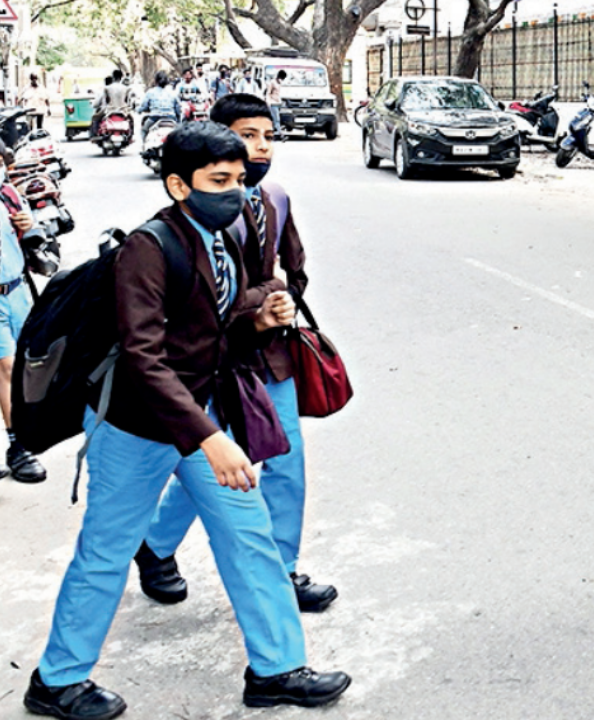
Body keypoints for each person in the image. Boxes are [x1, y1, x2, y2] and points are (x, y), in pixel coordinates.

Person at [23, 122, 351, 720]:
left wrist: (258, 318)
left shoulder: (217, 234)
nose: (235, 190)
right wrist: (210, 439)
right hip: (134, 426)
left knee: (249, 534)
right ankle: (57, 680)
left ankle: (277, 669)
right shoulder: (148, 249)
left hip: (198, 412)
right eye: (218, 180)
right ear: (179, 184)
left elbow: (205, 330)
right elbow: (146, 359)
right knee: (106, 548)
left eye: (239, 178)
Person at [137, 93, 337, 612]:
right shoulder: (198, 212)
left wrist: (284, 297)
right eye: (248, 136)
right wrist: (254, 302)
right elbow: (193, 300)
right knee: (216, 464)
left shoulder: (276, 198)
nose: (261, 146)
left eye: (268, 136)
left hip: (271, 353)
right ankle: (155, 545)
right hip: (213, 360)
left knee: (285, 460)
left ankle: (283, 568)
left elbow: (291, 267)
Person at [0, 166, 45, 484]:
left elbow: (34, 234)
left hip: (17, 291)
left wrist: (30, 224)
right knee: (7, 366)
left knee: (26, 367)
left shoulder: (8, 196)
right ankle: (19, 446)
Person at [91, 69, 133, 138]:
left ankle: (95, 135)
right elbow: (128, 102)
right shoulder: (126, 88)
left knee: (95, 118)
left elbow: (105, 102)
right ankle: (130, 136)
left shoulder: (107, 88)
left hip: (110, 111)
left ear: (113, 77)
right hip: (123, 111)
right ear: (121, 77)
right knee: (131, 120)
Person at [138, 71, 181, 136]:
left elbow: (143, 106)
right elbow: (178, 108)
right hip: (171, 118)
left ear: (155, 81)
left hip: (154, 118)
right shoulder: (173, 93)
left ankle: (144, 145)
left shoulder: (150, 92)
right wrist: (178, 118)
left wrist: (138, 110)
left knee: (144, 130)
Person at [265, 70, 285, 136]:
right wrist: (268, 102)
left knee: (274, 119)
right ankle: (281, 134)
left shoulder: (280, 82)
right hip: (273, 103)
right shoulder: (272, 82)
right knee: (277, 119)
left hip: (278, 103)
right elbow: (268, 93)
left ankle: (270, 134)